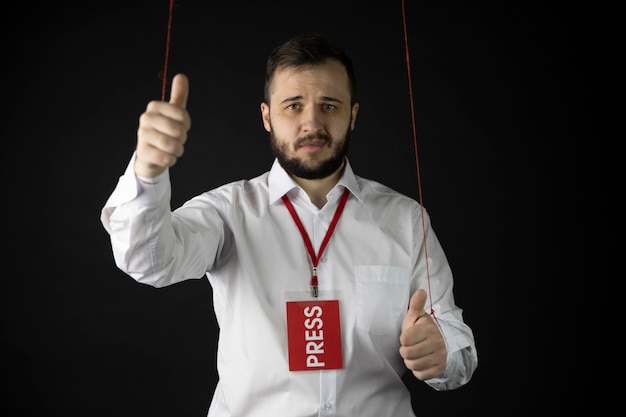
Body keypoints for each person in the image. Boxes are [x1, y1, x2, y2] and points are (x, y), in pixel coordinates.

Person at [101, 33, 477, 417]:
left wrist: (443, 351)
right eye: (293, 105)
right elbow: (150, 262)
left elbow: (458, 351)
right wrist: (146, 174)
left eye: (329, 105)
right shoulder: (228, 211)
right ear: (267, 116)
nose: (311, 122)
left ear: (353, 115)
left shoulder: (405, 219)